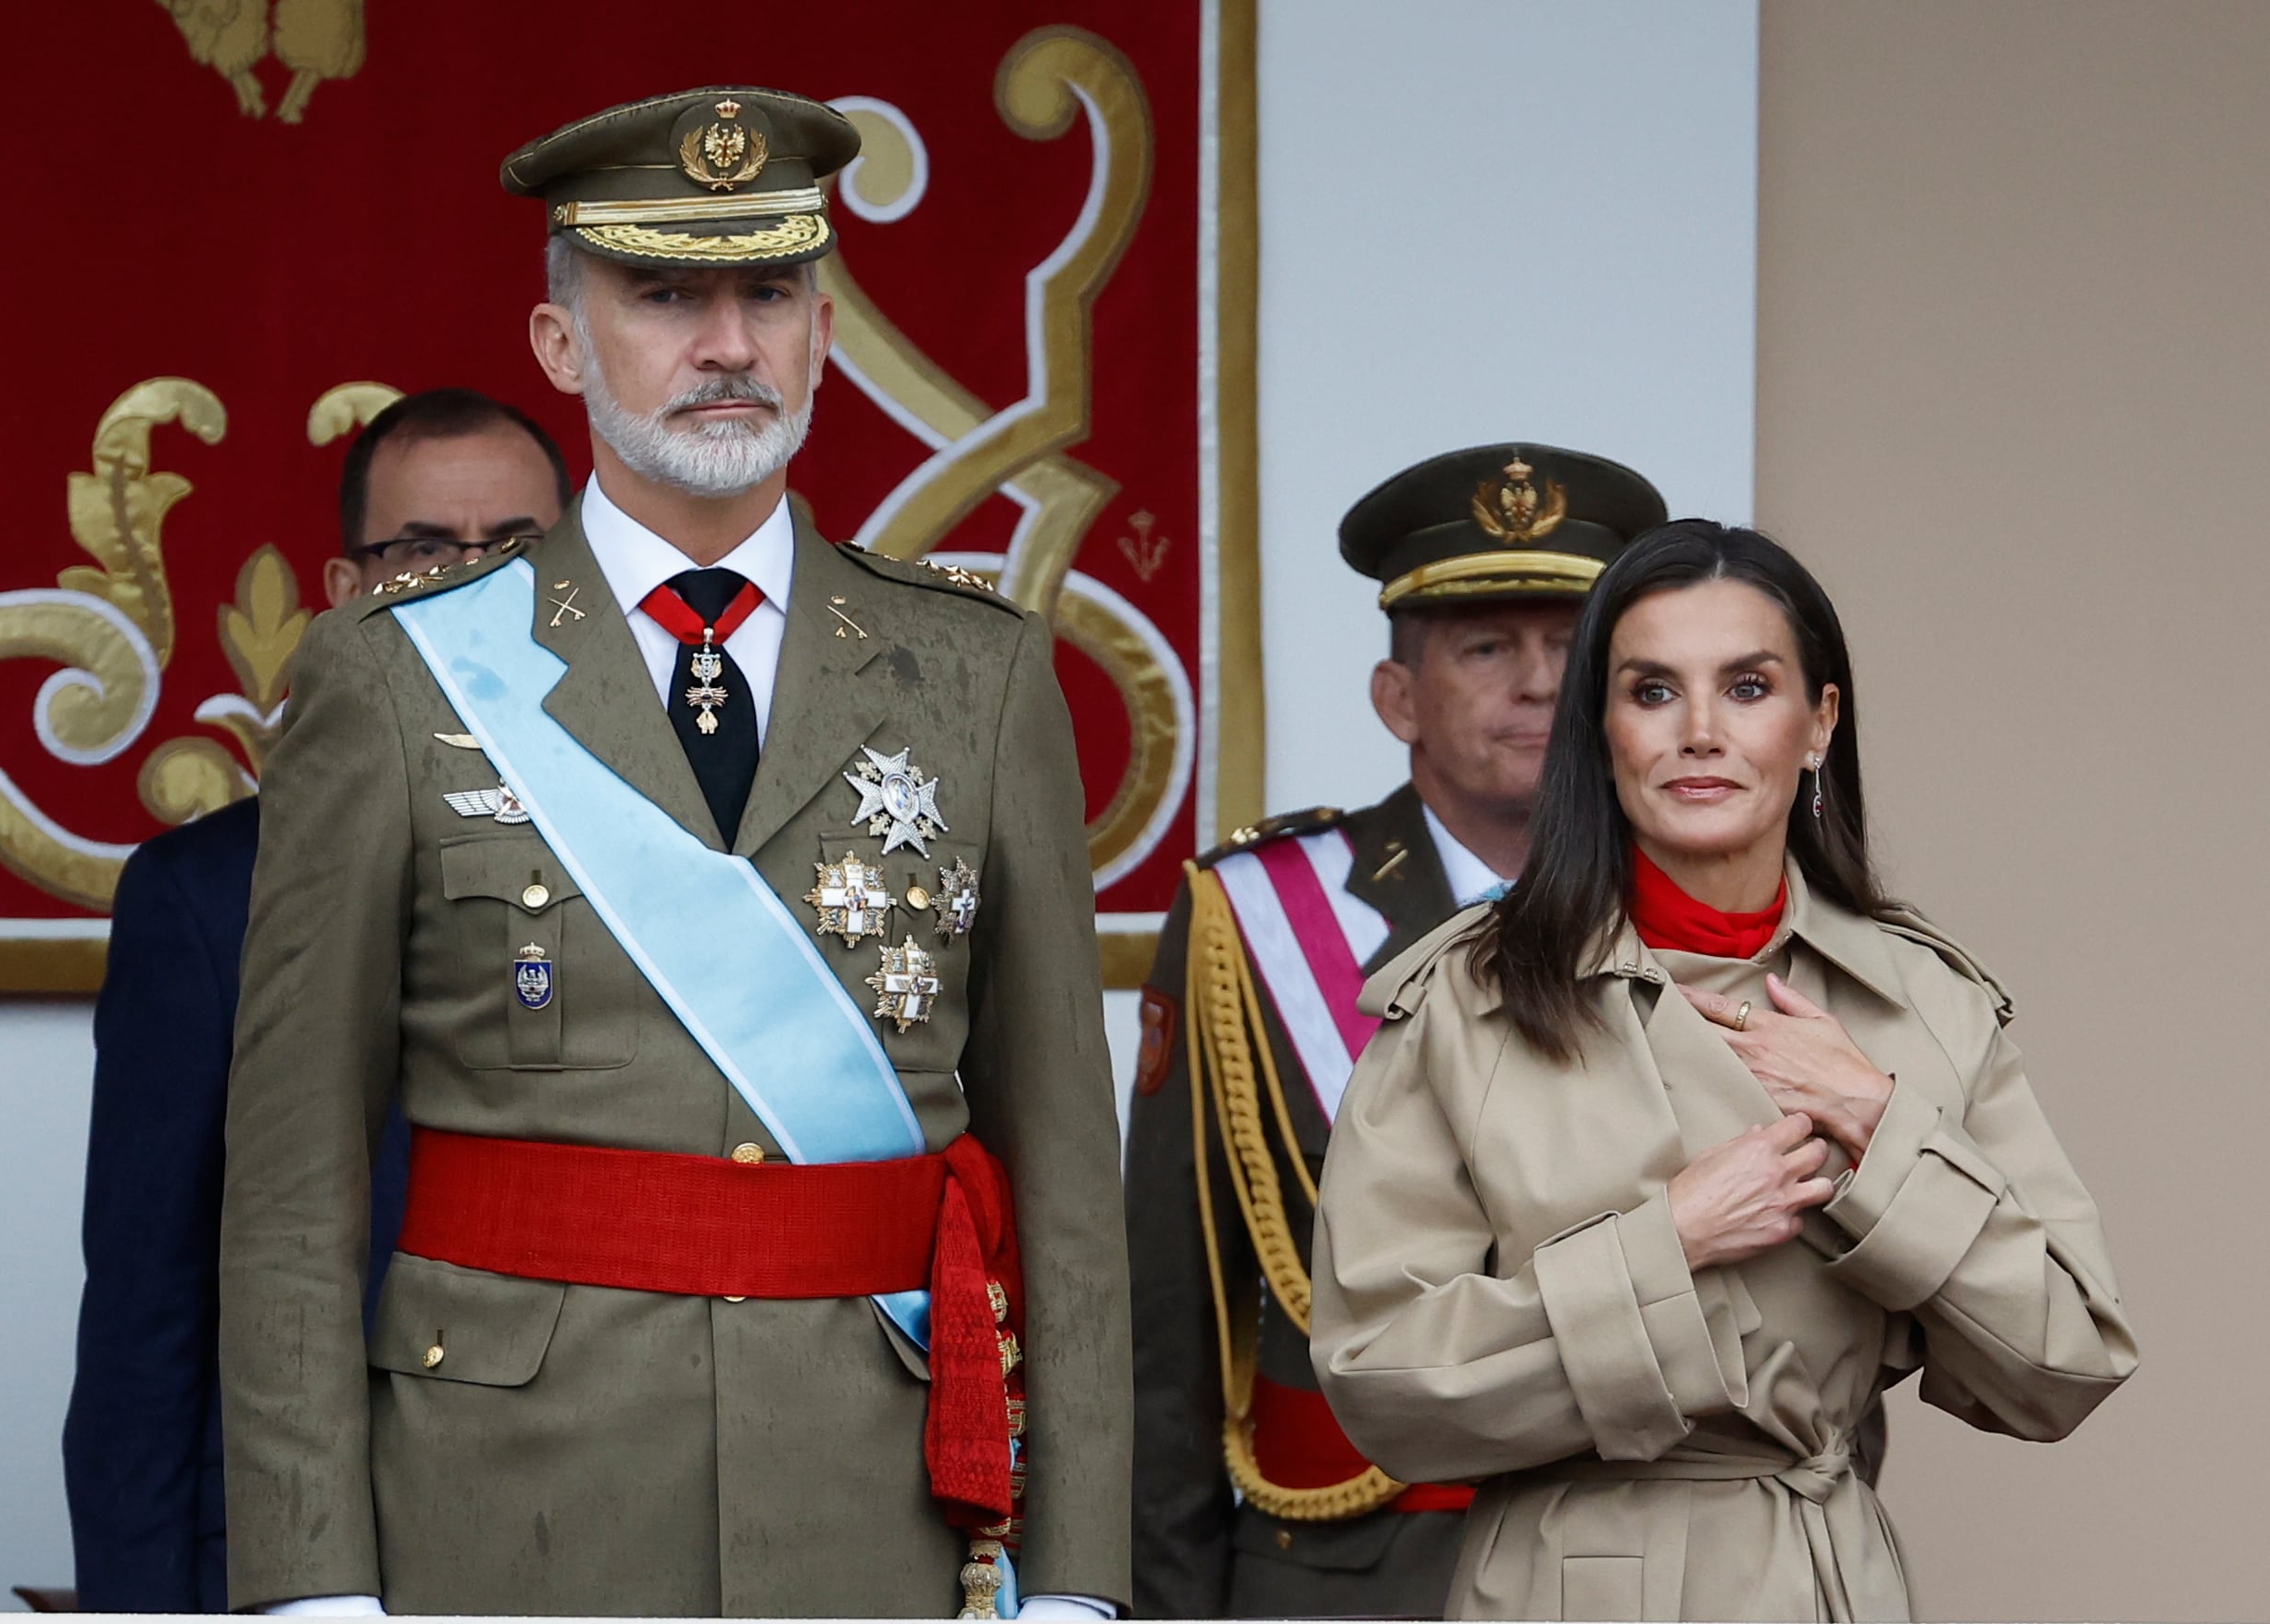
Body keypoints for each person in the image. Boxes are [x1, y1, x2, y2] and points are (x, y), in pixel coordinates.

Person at [217, 87, 1129, 1619]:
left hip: (877, 1503)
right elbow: (294, 1180)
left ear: (823, 328)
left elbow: (1066, 1180)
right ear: (562, 345)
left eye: (766, 293)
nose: (726, 344)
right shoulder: (393, 678)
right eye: (664, 294)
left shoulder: (977, 674)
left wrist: (1084, 1580)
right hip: (503, 1501)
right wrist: (314, 1587)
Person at [1309, 521, 2138, 1620]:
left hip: (1824, 1577)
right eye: (1652, 692)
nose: (1701, 732)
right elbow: (1383, 1385)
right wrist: (1668, 1242)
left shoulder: (1922, 1002)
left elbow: (2064, 1361)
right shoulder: (1470, 1000)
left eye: (1748, 687)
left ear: (1818, 723)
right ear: (1600, 731)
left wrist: (1878, 1129)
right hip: (1568, 1581)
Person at [1125, 446, 1665, 1618]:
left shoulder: (1704, 906)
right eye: (1486, 647)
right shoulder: (1256, 915)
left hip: (1648, 1556)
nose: (1539, 685)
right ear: (1398, 697)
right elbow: (1173, 1323)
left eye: (1572, 648)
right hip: (1346, 1575)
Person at [61, 387, 572, 1612]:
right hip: (312, 1556)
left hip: (599, 1530)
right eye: (424, 551)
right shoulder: (205, 898)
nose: (473, 582)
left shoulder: (686, 868)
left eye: (517, 547)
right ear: (348, 591)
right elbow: (145, 1319)